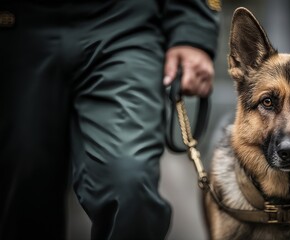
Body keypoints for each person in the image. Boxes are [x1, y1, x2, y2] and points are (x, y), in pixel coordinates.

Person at [0, 0, 219, 239]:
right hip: (17, 29)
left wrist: (192, 28)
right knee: (19, 186)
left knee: (129, 183)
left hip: (123, 25)